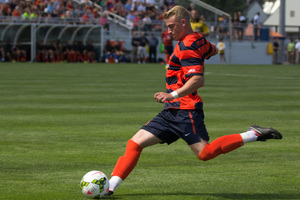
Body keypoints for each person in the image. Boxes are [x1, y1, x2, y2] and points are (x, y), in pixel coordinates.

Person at [106, 5, 282, 196]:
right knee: (134, 143)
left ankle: (253, 134)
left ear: (183, 22)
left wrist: (171, 95)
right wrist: (206, 53)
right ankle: (110, 187)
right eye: (167, 27)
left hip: (185, 110)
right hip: (170, 111)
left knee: (204, 153)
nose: (169, 31)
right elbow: (211, 50)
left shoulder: (188, 45)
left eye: (172, 26)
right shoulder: (198, 39)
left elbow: (198, 79)